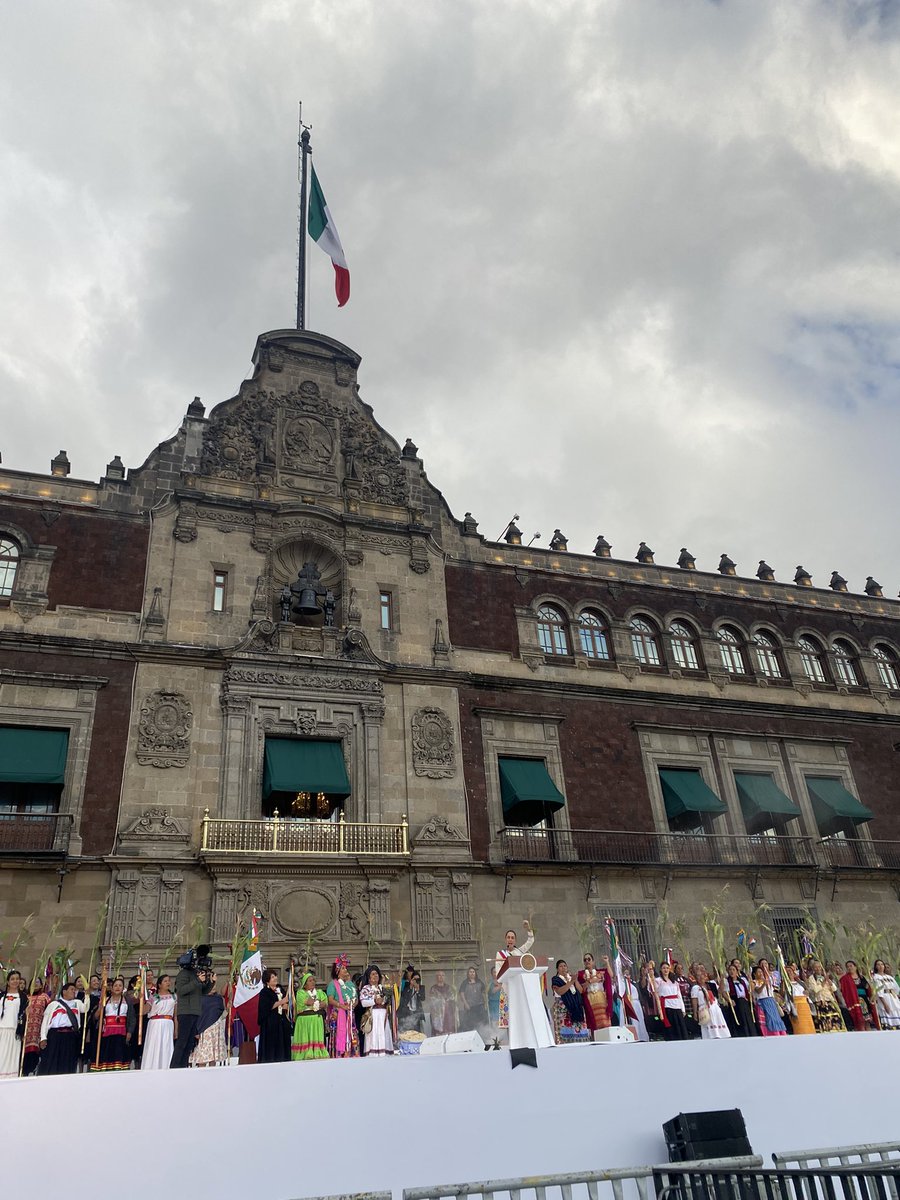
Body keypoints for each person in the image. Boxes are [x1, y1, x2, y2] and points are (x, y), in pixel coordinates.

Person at [494, 920, 534, 1031]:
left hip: (518, 987)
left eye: (512, 937)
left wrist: (528, 929)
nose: (510, 939)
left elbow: (530, 941)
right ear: (505, 939)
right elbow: (498, 973)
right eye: (508, 937)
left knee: (520, 1017)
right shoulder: (500, 954)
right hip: (507, 988)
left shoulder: (519, 951)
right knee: (509, 1018)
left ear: (515, 940)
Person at [39, 980, 84, 1075]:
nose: (74, 991)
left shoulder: (77, 1003)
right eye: (72, 989)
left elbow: (86, 1008)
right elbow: (45, 1022)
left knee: (68, 1062)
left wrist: (87, 995)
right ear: (64, 992)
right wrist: (43, 1037)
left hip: (71, 1037)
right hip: (55, 1036)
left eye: (75, 990)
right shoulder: (54, 1004)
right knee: (52, 1062)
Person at [92, 976, 135, 1070]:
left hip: (122, 1031)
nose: (117, 987)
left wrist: (130, 1032)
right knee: (107, 1052)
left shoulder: (127, 1001)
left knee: (120, 1053)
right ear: (111, 988)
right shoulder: (105, 1000)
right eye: (115, 985)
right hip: (107, 1031)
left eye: (120, 985)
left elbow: (132, 1018)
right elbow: (96, 1016)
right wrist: (100, 1007)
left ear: (123, 988)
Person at [172, 948, 205, 1069]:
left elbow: (204, 991)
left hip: (195, 1011)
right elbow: (181, 991)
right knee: (182, 1041)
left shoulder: (195, 974)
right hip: (185, 1011)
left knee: (190, 1042)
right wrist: (197, 980)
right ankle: (175, 1066)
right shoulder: (183, 974)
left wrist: (210, 982)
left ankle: (183, 1065)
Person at [190, 970, 227, 1067]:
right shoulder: (200, 998)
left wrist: (228, 1009)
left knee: (213, 1055)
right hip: (204, 1029)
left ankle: (212, 1073)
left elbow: (222, 1014)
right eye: (212, 985)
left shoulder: (218, 998)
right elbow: (196, 1015)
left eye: (215, 985)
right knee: (203, 1055)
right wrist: (196, 1031)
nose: (214, 987)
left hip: (216, 1029)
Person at [551, 960, 590, 1044]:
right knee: (565, 1032)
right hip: (563, 1009)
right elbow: (560, 991)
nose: (563, 968)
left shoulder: (571, 977)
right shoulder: (556, 979)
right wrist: (571, 982)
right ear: (557, 969)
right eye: (561, 966)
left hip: (576, 1007)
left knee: (578, 1031)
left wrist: (574, 980)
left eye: (565, 966)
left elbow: (580, 990)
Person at [142, 974, 176, 1070]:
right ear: (159, 984)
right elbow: (145, 1011)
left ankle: (166, 1067)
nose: (168, 983)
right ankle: (151, 1067)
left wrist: (176, 1030)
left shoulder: (174, 997)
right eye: (165, 981)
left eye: (169, 980)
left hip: (168, 1023)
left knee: (166, 1045)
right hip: (155, 1023)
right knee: (154, 1045)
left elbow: (176, 1015)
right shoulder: (154, 997)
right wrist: (142, 1000)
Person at [326, 956, 358, 1058]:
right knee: (339, 1035)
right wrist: (341, 1006)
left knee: (351, 1034)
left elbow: (356, 998)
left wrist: (352, 1005)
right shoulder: (333, 984)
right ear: (337, 971)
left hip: (349, 1014)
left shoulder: (350, 984)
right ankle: (339, 1056)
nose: (346, 970)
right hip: (338, 1014)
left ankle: (352, 1054)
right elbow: (330, 999)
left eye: (346, 968)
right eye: (343, 968)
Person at [292, 971, 329, 1060]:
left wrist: (316, 1003)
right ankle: (304, 1053)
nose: (312, 982)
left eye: (313, 980)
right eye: (310, 981)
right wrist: (317, 1002)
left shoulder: (320, 992)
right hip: (305, 1021)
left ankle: (317, 1052)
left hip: (316, 1021)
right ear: (304, 984)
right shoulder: (300, 993)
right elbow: (307, 1001)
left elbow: (325, 1003)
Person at [257, 968, 292, 1063]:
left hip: (282, 1023)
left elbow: (287, 1002)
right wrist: (281, 1002)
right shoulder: (264, 992)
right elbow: (268, 1006)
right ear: (267, 980)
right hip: (271, 1025)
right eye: (272, 977)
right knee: (272, 1047)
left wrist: (286, 1006)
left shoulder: (280, 989)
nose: (275, 978)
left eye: (275, 976)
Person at [359, 965, 393, 1056]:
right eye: (373, 974)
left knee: (384, 1035)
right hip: (373, 1016)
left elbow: (388, 1001)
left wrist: (386, 999)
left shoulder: (383, 988)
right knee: (373, 1037)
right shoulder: (366, 988)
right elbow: (363, 1003)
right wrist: (374, 1001)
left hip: (383, 1016)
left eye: (377, 974)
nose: (375, 976)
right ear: (369, 978)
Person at [576, 952, 614, 1033]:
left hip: (601, 998)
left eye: (589, 959)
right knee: (593, 1023)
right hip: (590, 999)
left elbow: (610, 975)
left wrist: (607, 962)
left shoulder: (600, 972)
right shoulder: (581, 974)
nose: (587, 961)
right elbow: (582, 988)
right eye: (585, 960)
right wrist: (591, 981)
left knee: (604, 1022)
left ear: (593, 961)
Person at [690, 964, 731, 1039]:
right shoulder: (696, 988)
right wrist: (695, 1012)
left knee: (718, 1023)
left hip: (714, 1007)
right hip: (704, 1009)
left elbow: (720, 991)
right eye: (698, 976)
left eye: (701, 975)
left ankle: (721, 1035)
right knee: (708, 1026)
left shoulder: (711, 985)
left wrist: (722, 980)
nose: (700, 977)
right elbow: (694, 1000)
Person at [805, 960, 846, 1032]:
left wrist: (829, 981)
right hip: (820, 1001)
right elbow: (815, 990)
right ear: (813, 969)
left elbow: (834, 989)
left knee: (834, 1020)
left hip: (829, 1000)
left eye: (819, 967)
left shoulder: (825, 976)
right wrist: (823, 982)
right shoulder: (812, 978)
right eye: (816, 967)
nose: (818, 969)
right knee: (824, 1020)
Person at [839, 961, 880, 1031]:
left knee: (867, 1021)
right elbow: (843, 991)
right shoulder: (845, 979)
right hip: (854, 1001)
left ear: (855, 967)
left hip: (864, 1001)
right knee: (859, 1022)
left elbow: (867, 988)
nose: (849, 968)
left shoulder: (862, 977)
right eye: (847, 966)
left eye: (851, 966)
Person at [0, 970, 26, 1079]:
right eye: (12, 979)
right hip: (3, 1030)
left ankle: (11, 1080)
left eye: (17, 979)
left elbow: (24, 1015)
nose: (15, 981)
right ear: (8, 981)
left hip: (16, 1032)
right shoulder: (2, 997)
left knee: (13, 1057)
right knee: (2, 1055)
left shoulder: (24, 997)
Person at [22, 978, 50, 1076]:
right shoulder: (26, 997)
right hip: (26, 1030)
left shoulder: (45, 997)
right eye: (33, 983)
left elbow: (49, 1012)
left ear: (42, 985)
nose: (35, 984)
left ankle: (32, 1072)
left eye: (38, 982)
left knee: (34, 1054)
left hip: (38, 1030)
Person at [655, 961, 689, 1040]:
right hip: (667, 1007)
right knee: (671, 1029)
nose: (665, 970)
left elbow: (679, 995)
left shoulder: (674, 982)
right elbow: (654, 991)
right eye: (664, 968)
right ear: (660, 969)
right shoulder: (658, 981)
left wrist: (682, 1009)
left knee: (680, 1028)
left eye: (667, 968)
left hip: (677, 1006)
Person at [753, 960, 787, 1036]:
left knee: (776, 1018)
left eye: (761, 972)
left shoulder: (767, 980)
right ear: (754, 974)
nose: (760, 973)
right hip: (763, 1001)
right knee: (769, 1019)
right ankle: (771, 1033)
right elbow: (758, 991)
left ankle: (780, 1032)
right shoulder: (755, 982)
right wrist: (763, 985)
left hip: (771, 1001)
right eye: (758, 972)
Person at [723, 962, 756, 1037]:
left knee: (748, 1018)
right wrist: (729, 1000)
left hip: (744, 1001)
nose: (731, 971)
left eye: (733, 970)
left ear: (737, 971)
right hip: (735, 1001)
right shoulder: (727, 981)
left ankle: (750, 1033)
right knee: (739, 1019)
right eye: (730, 970)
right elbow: (724, 992)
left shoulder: (742, 981)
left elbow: (750, 989)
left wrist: (751, 980)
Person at [785, 963, 815, 1035]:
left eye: (790, 971)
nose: (789, 973)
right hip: (795, 1006)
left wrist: (807, 992)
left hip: (805, 1006)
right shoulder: (786, 984)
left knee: (809, 1026)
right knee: (800, 1027)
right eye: (787, 971)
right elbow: (784, 994)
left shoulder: (800, 982)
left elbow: (807, 991)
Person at [457, 966, 488, 1034]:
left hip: (480, 1006)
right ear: (468, 973)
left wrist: (485, 1002)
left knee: (481, 1022)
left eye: (473, 972)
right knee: (470, 1023)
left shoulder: (479, 981)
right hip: (470, 1007)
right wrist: (466, 1004)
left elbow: (484, 992)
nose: (472, 973)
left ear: (475, 973)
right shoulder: (465, 982)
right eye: (470, 972)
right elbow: (461, 993)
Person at [871, 960, 900, 1030]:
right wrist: (885, 1004)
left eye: (882, 964)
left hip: (893, 997)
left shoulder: (890, 977)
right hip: (884, 997)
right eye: (878, 965)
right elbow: (878, 991)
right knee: (887, 1012)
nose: (880, 966)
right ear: (875, 967)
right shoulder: (875, 977)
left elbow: (896, 988)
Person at [427, 969, 457, 1036]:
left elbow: (452, 997)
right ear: (436, 977)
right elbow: (432, 1000)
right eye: (439, 975)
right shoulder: (433, 988)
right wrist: (442, 1001)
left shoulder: (448, 987)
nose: (441, 977)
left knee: (449, 1030)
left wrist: (449, 999)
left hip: (448, 1012)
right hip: (438, 1013)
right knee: (438, 1032)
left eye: (442, 975)